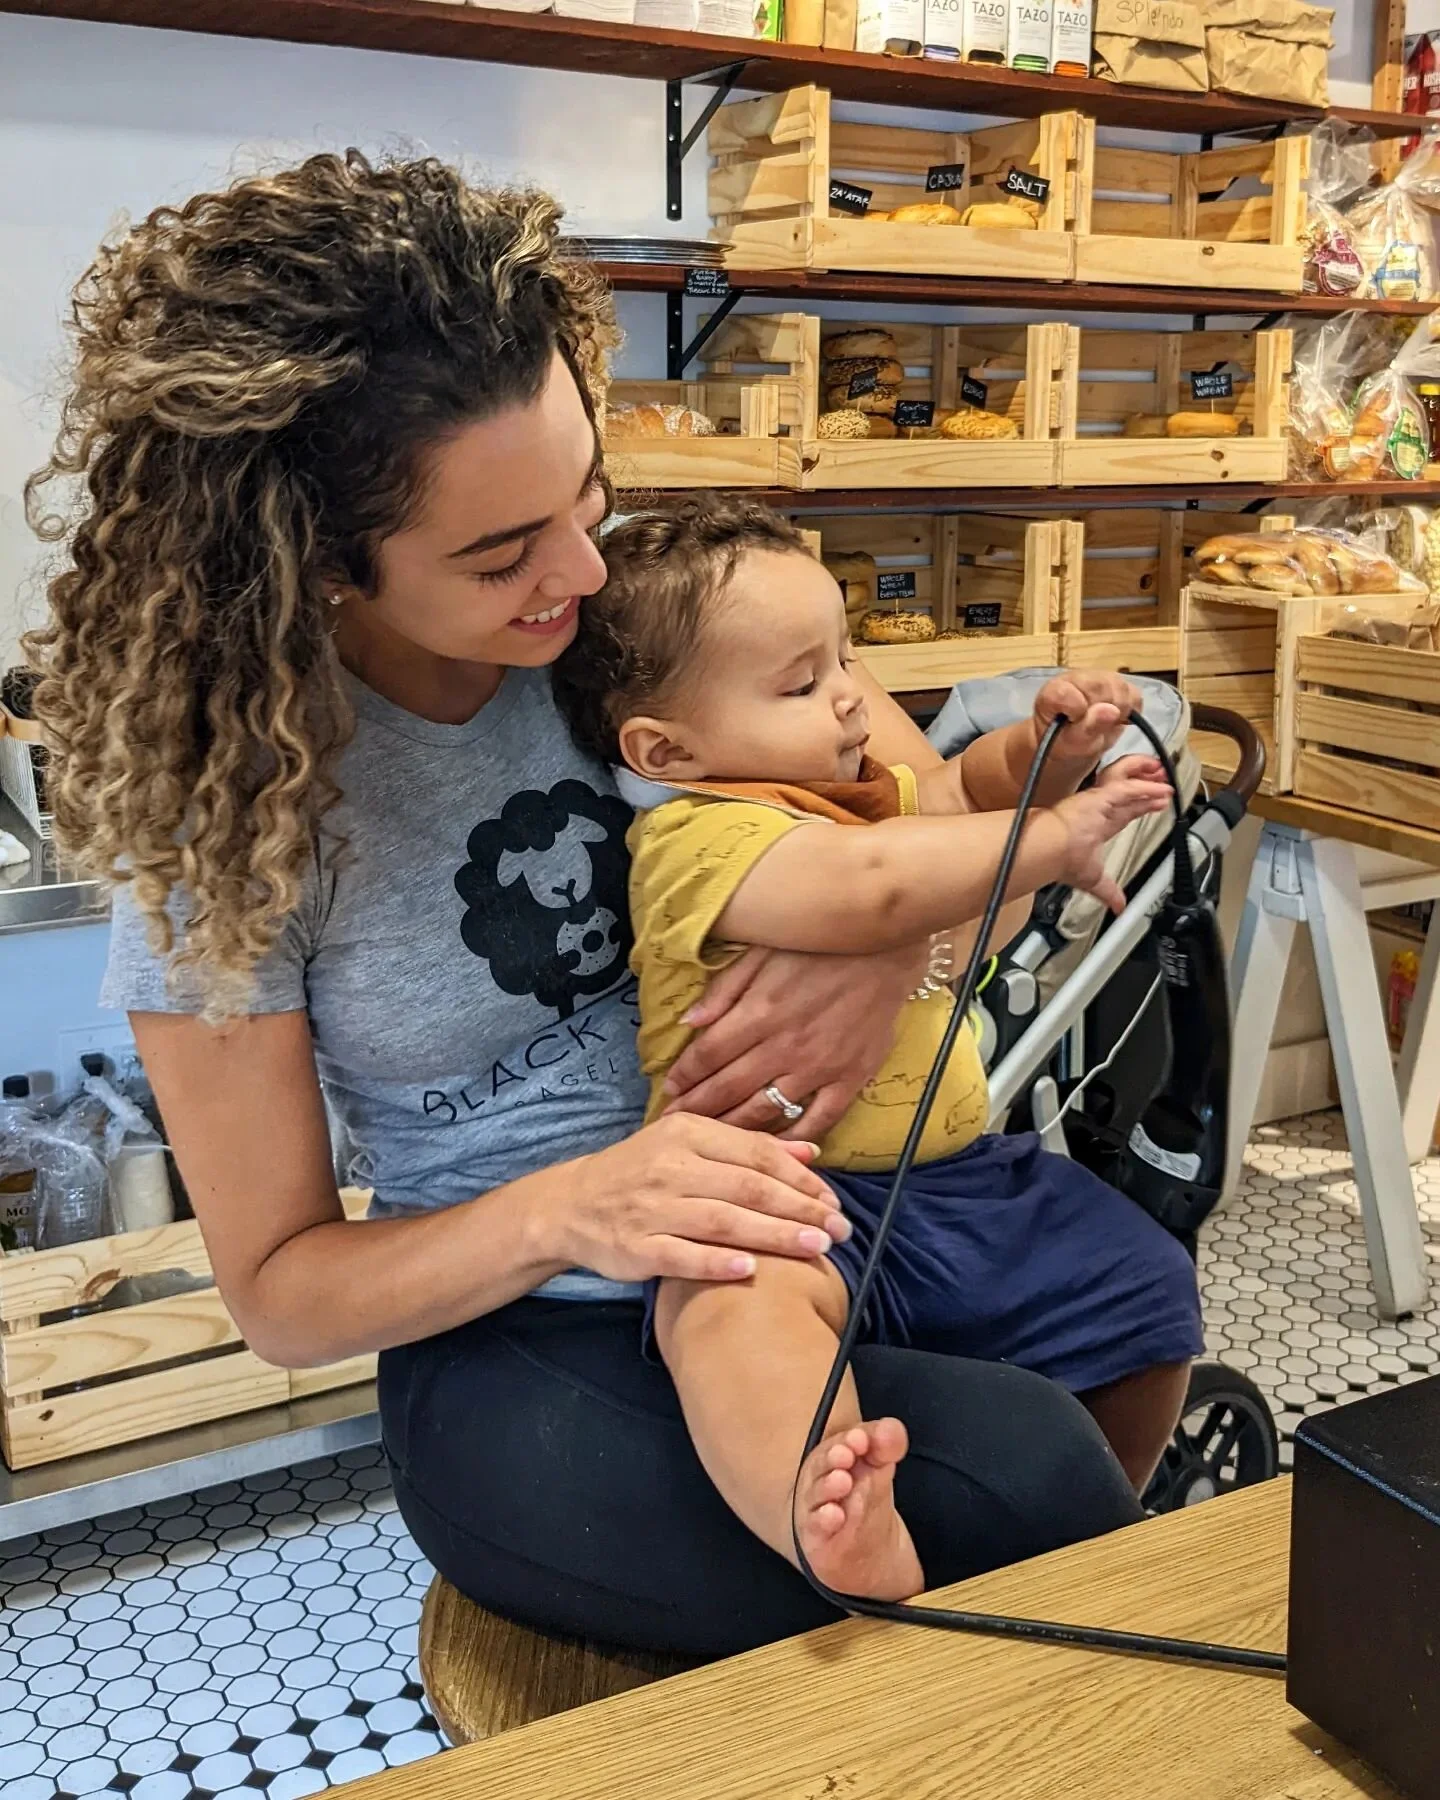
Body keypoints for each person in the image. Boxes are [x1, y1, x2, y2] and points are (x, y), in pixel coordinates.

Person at [27, 149, 1151, 1663]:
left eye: (590, 492)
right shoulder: (229, 808)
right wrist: (577, 1203)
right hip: (521, 1319)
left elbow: (925, 839)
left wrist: (883, 947)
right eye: (500, 553)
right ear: (306, 561)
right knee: (1000, 1495)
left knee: (1104, 1357)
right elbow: (286, 1294)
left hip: (816, 1212)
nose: (577, 571)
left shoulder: (648, 616)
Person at [551, 498, 1203, 1602]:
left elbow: (951, 794)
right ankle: (833, 1514)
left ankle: (1110, 1517)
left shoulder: (852, 792)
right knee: (728, 1317)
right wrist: (1052, 842)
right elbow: (877, 889)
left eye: (845, 655)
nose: (853, 695)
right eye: (802, 684)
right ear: (669, 750)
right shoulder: (694, 840)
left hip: (954, 1176)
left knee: (1147, 1284)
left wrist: (1041, 752)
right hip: (776, 1198)